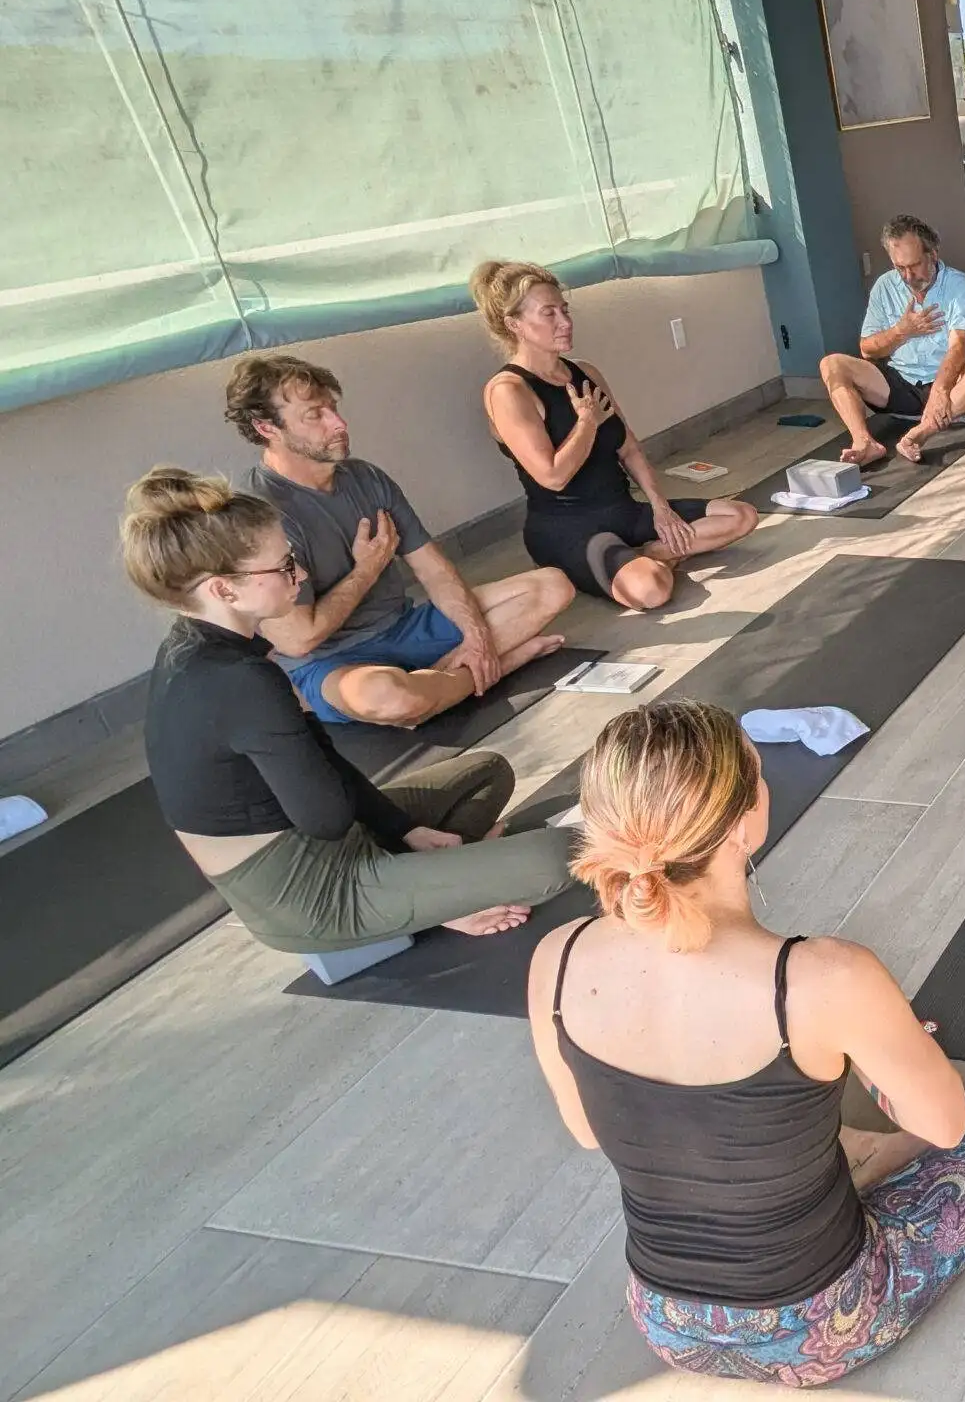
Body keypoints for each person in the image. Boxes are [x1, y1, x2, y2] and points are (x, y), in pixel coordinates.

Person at [525, 700, 965, 1386]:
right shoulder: (825, 977)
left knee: (793, 1089)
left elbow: (590, 1130)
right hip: (821, 1324)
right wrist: (899, 1046)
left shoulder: (556, 958)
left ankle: (860, 1155)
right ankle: (873, 1158)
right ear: (744, 821)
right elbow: (944, 1125)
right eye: (759, 776)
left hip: (666, 1321)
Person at [123, 468, 573, 955]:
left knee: (487, 771)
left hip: (334, 841)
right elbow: (327, 818)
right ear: (224, 590)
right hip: (310, 894)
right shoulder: (239, 680)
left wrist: (404, 830)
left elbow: (331, 777)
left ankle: (431, 887)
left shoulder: (196, 647)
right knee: (558, 856)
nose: (299, 576)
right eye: (284, 566)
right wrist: (303, 718)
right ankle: (436, 903)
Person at [227, 354, 575, 729]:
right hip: (335, 663)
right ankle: (496, 666)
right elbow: (298, 640)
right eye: (315, 415)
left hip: (405, 627)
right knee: (392, 698)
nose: (339, 424)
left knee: (553, 586)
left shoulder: (366, 477)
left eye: (334, 408)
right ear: (267, 428)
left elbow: (434, 571)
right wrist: (367, 569)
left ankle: (451, 676)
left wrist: (476, 638)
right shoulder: (254, 513)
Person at [474, 262, 758, 613]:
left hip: (624, 511)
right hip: (569, 528)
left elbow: (629, 447)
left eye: (565, 310)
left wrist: (660, 507)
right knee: (651, 591)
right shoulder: (508, 391)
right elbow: (552, 476)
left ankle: (655, 552)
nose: (565, 322)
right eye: (549, 313)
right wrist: (586, 423)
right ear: (514, 324)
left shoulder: (585, 372)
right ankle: (640, 565)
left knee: (741, 516)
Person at [818, 216, 965, 464]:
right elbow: (867, 349)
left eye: (914, 265)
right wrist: (901, 332)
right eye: (899, 267)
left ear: (933, 254)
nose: (907, 275)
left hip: (952, 386)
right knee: (831, 364)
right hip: (901, 384)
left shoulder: (960, 287)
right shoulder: (885, 286)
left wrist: (940, 390)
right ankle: (864, 442)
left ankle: (922, 431)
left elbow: (960, 346)